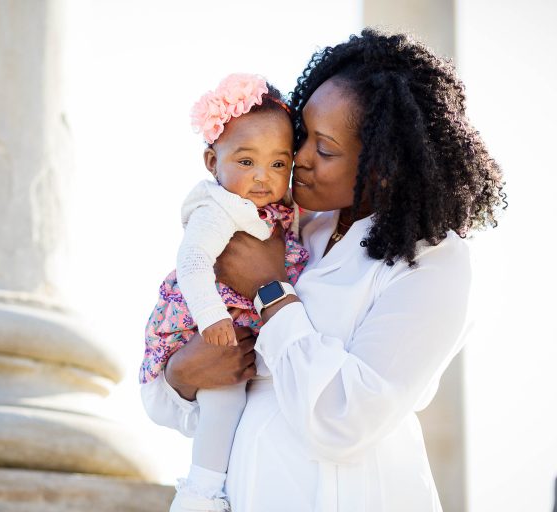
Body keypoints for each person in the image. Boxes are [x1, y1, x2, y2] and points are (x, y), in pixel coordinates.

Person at [141, 29, 505, 512]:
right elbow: (181, 405)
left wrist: (271, 291)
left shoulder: (435, 262)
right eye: (302, 138)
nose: (300, 162)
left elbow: (344, 419)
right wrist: (183, 375)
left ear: (383, 164)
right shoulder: (289, 227)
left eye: (325, 149)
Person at [140, 73, 309, 512]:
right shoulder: (216, 208)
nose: (262, 177)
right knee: (224, 399)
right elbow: (193, 260)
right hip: (208, 322)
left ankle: (225, 486)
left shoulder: (277, 208)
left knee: (237, 401)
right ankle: (200, 493)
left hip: (240, 322)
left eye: (278, 164)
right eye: (246, 161)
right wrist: (213, 316)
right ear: (212, 161)